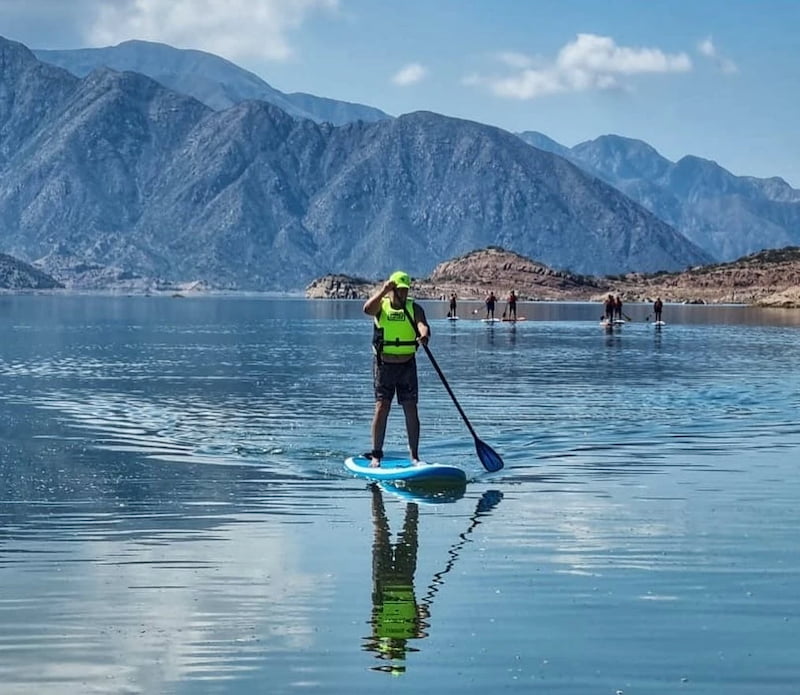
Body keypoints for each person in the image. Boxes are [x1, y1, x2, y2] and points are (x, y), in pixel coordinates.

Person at [363, 271, 431, 467]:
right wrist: (384, 290)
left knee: (411, 408)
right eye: (398, 291)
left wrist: (424, 336)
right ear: (391, 290)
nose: (402, 294)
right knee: (382, 406)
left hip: (407, 365)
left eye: (404, 290)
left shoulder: (414, 308)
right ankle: (376, 455)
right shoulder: (381, 306)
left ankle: (415, 457)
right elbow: (367, 309)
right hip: (384, 366)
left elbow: (423, 325)